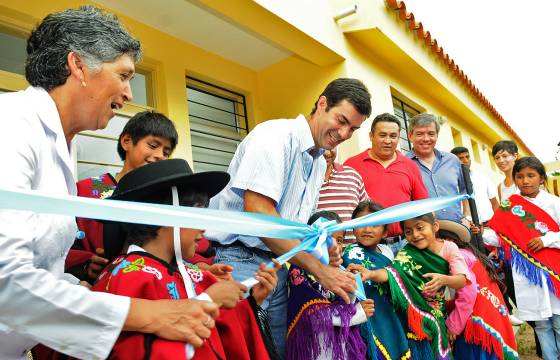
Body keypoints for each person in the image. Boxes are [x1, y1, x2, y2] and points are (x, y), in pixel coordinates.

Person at [0, 7, 217, 359]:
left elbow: (43, 270)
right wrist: (147, 314)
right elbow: (6, 282)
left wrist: (84, 289)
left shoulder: (63, 145)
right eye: (124, 75)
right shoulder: (11, 126)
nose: (129, 93)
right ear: (79, 66)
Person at [207, 77, 371, 356]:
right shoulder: (275, 137)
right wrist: (320, 270)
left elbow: (292, 225)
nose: (344, 134)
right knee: (244, 350)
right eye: (341, 120)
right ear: (321, 104)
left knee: (277, 351)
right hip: (240, 259)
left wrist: (323, 249)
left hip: (277, 263)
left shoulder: (319, 160)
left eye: (353, 129)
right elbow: (260, 214)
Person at [93, 158, 280, 359]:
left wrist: (254, 300)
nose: (204, 228)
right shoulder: (130, 277)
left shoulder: (193, 274)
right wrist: (211, 300)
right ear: (168, 216)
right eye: (196, 215)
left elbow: (224, 333)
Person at [66, 111, 179, 283]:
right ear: (126, 142)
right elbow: (59, 242)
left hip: (152, 286)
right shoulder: (84, 190)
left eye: (166, 152)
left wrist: (203, 265)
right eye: (153, 145)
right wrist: (86, 264)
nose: (160, 155)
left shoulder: (165, 197)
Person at [349, 213, 470, 360]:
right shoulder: (407, 251)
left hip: (435, 315)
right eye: (408, 231)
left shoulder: (449, 248)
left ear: (435, 226)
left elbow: (462, 280)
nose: (415, 235)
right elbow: (392, 274)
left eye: (420, 228)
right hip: (412, 315)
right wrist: (370, 274)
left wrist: (444, 280)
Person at [484, 157, 560, 360]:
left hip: (554, 271)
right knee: (542, 324)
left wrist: (546, 240)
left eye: (531, 175)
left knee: (559, 320)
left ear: (542, 178)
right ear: (515, 179)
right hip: (527, 273)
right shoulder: (509, 206)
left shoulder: (554, 203)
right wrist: (480, 232)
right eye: (520, 176)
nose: (525, 181)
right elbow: (501, 238)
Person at [286, 211, 373, 360]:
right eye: (327, 240)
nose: (335, 246)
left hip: (341, 348)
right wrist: (357, 313)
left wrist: (354, 290)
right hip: (314, 349)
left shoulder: (342, 271)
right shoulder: (299, 271)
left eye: (339, 240)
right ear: (310, 240)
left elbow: (347, 303)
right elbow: (312, 316)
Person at [344, 112, 428, 253]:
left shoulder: (410, 166)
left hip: (405, 244)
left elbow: (422, 207)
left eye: (393, 136)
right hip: (366, 247)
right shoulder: (352, 165)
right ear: (371, 136)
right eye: (382, 135)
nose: (388, 141)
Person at [437, 220, 518, 360]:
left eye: (436, 241)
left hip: (478, 323)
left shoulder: (458, 257)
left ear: (448, 240)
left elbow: (468, 294)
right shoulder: (466, 252)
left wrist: (454, 325)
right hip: (489, 314)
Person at [342, 201, 410, 359]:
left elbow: (396, 279)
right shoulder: (348, 255)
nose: (367, 229)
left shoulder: (387, 252)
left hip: (389, 314)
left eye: (374, 225)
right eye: (362, 224)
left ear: (385, 232)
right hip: (366, 318)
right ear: (353, 228)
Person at [406, 113, 471, 226]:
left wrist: (467, 216)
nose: (426, 139)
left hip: (458, 228)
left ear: (437, 135)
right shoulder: (403, 164)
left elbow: (465, 190)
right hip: (424, 233)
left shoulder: (452, 160)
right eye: (420, 134)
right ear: (410, 136)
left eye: (431, 134)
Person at [316, 147, 368, 242]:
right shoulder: (305, 177)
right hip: (319, 253)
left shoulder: (352, 175)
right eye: (322, 148)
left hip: (353, 252)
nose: (327, 153)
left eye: (331, 147)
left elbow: (366, 212)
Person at [450, 146, 499, 224]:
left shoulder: (482, 177)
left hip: (490, 227)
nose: (465, 160)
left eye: (467, 157)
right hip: (468, 228)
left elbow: (494, 202)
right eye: (460, 158)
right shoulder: (451, 182)